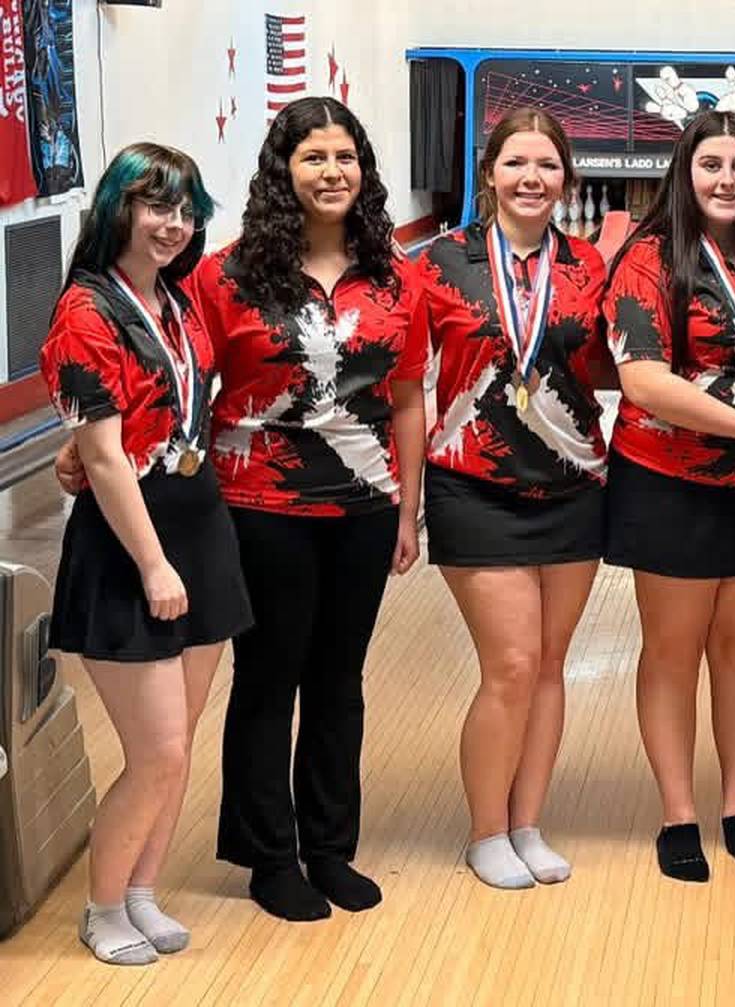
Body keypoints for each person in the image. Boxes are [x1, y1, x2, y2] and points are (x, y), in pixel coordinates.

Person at [199, 98, 428, 921]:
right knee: (269, 675)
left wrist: (408, 510)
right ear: (282, 172)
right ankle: (269, 855)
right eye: (313, 158)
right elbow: (189, 389)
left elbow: (406, 399)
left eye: (345, 157)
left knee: (340, 678)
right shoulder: (225, 276)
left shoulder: (397, 275)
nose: (333, 172)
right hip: (260, 505)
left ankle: (329, 846)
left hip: (365, 506)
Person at [40, 143, 251, 964]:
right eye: (155, 205)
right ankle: (101, 907)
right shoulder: (85, 310)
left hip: (199, 527)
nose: (172, 223)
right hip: (134, 548)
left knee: (179, 743)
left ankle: (140, 889)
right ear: (117, 209)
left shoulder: (173, 302)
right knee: (157, 751)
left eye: (185, 208)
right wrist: (154, 563)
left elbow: (170, 409)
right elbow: (99, 458)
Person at [602, 110, 735, 882]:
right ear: (685, 173)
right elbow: (643, 379)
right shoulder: (648, 258)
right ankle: (677, 813)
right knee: (674, 650)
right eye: (711, 165)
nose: (727, 180)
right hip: (669, 481)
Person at [414, 107, 609, 889]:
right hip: (473, 481)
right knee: (513, 663)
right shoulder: (437, 262)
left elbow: (610, 364)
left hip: (574, 482)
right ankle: (486, 830)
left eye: (549, 166)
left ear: (567, 178)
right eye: (517, 163)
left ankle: (528, 821)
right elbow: (395, 379)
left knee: (551, 663)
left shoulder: (589, 263)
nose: (533, 178)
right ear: (488, 172)